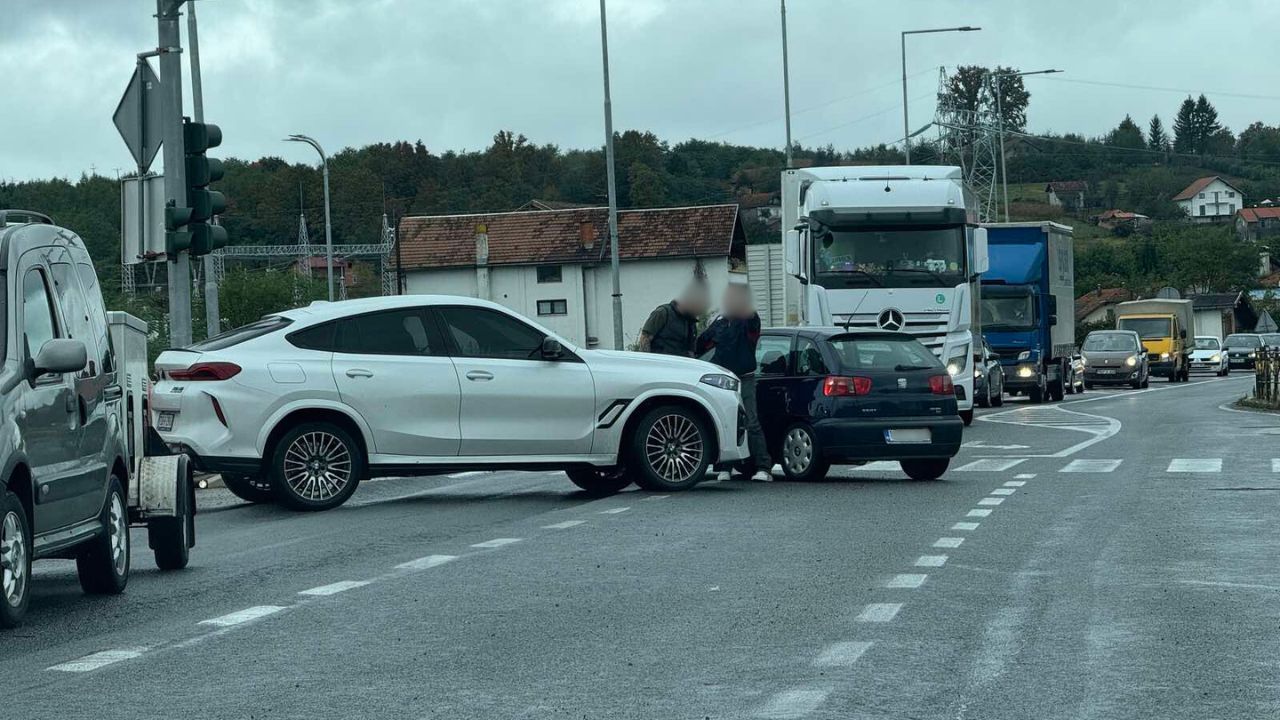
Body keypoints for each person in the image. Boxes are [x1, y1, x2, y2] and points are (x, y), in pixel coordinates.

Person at [696, 283, 772, 482]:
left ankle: (763, 467)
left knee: (752, 422)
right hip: (723, 378)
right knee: (726, 422)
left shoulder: (749, 319)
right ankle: (726, 467)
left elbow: (753, 326)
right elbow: (702, 343)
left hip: (744, 377)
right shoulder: (721, 322)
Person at [638, 282, 708, 356]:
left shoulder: (690, 321)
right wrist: (648, 363)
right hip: (661, 363)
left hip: (679, 364)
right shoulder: (663, 313)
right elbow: (645, 339)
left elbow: (690, 350)